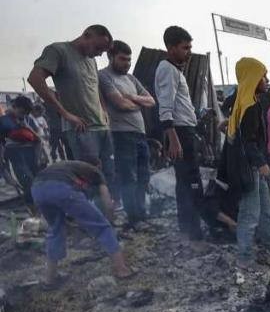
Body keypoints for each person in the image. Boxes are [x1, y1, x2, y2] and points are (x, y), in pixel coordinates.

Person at [28, 25, 115, 184]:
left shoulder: (92, 60)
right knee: (90, 179)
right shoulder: (59, 51)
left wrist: (104, 111)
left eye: (102, 51)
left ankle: (110, 207)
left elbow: (95, 88)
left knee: (109, 175)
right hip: (82, 129)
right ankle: (90, 208)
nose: (99, 53)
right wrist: (65, 113)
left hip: (102, 127)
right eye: (98, 48)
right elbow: (35, 78)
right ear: (86, 35)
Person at [30, 157, 133, 287]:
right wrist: (110, 220)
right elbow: (108, 204)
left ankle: (50, 279)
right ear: (98, 166)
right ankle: (122, 270)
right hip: (61, 188)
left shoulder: (67, 167)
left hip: (37, 189)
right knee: (103, 228)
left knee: (55, 231)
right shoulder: (95, 171)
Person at [223, 57, 270, 267]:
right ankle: (244, 258)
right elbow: (248, 141)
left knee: (266, 208)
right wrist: (261, 163)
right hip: (250, 167)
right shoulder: (250, 105)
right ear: (253, 78)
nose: (267, 80)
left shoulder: (244, 100)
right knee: (250, 213)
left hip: (251, 165)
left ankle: (268, 243)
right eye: (263, 76)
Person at [98, 40, 155, 226]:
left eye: (129, 60)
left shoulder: (131, 79)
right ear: (111, 57)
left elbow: (151, 101)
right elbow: (120, 104)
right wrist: (136, 103)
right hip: (121, 134)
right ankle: (134, 217)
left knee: (144, 175)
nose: (127, 64)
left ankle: (141, 212)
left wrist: (131, 97)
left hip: (140, 134)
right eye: (123, 59)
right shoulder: (104, 76)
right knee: (129, 178)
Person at [155, 25, 204, 240]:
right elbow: (165, 108)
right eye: (185, 47)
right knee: (190, 183)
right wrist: (174, 140)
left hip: (185, 131)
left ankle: (189, 228)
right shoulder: (167, 69)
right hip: (180, 133)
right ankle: (193, 233)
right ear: (171, 47)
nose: (189, 51)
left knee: (186, 182)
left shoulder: (174, 70)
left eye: (190, 47)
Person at [0, 95, 41, 204]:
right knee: (27, 182)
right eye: (21, 112)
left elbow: (38, 139)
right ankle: (33, 209)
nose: (23, 115)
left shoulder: (29, 119)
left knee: (38, 182)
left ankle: (39, 206)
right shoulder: (4, 121)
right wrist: (4, 169)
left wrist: (27, 127)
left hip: (32, 153)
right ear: (14, 107)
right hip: (16, 155)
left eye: (26, 113)